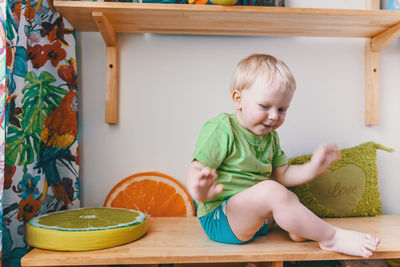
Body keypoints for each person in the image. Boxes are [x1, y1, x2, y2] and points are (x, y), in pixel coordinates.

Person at [186, 54, 380, 258]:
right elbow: (196, 169)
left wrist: (314, 167)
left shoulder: (271, 138)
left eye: (282, 109)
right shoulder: (222, 129)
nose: (274, 116)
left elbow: (283, 175)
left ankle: (299, 229)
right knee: (272, 190)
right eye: (265, 106)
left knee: (288, 197)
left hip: (257, 221)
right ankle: (331, 237)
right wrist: (199, 191)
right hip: (221, 218)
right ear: (238, 99)